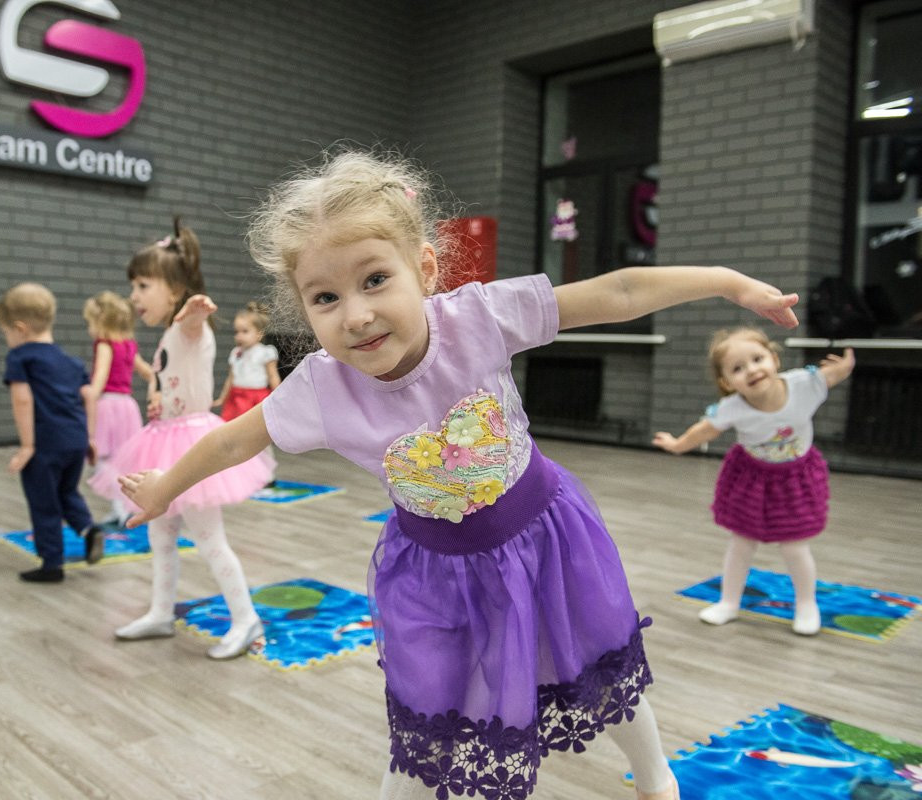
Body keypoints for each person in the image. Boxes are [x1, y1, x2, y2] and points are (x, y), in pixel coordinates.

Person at [118, 151, 802, 800]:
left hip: (544, 540)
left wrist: (727, 281)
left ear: (425, 269)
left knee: (595, 668)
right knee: (425, 717)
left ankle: (656, 779)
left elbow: (619, 290)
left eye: (375, 280)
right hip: (434, 576)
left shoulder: (478, 319)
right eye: (325, 297)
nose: (355, 314)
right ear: (303, 309)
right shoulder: (321, 389)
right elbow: (235, 439)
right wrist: (164, 486)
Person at [88, 218, 273, 660]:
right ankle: (159, 611)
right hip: (164, 437)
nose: (134, 297)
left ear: (174, 289)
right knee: (161, 535)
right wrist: (157, 398)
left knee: (210, 541)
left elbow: (194, 326)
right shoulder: (169, 333)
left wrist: (194, 312)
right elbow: (170, 378)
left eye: (143, 286)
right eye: (133, 286)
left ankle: (246, 619)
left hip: (189, 446)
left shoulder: (189, 325)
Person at [653, 328, 855, 636]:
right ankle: (729, 603)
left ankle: (806, 604)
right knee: (741, 542)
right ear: (727, 383)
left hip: (795, 478)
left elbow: (832, 374)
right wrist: (678, 444)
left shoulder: (804, 384)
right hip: (752, 476)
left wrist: (847, 364)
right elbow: (705, 430)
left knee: (794, 546)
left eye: (757, 359)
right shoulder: (732, 407)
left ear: (774, 359)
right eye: (737, 368)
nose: (751, 370)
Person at [0, 282, 104, 583]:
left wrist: (27, 446)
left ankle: (52, 564)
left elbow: (22, 398)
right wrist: (91, 437)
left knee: (44, 501)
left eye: (6, 333)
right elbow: (89, 397)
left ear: (20, 328)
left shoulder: (20, 358)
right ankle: (88, 529)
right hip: (75, 439)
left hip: (46, 443)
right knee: (67, 491)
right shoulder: (70, 361)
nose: (7, 339)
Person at [82, 291, 152, 524]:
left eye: (90, 323)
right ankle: (121, 507)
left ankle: (121, 508)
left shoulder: (105, 344)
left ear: (102, 322)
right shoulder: (129, 344)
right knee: (123, 460)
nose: (90, 329)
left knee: (103, 459)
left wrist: (86, 394)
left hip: (108, 406)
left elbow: (99, 379)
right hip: (127, 407)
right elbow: (147, 372)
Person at [213, 301, 280, 421]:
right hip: (236, 396)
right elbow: (231, 378)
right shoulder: (235, 353)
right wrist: (223, 398)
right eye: (236, 332)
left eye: (245, 331)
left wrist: (279, 396)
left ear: (259, 334)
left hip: (256, 397)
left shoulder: (265, 352)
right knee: (232, 426)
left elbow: (272, 376)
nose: (239, 336)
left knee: (253, 426)